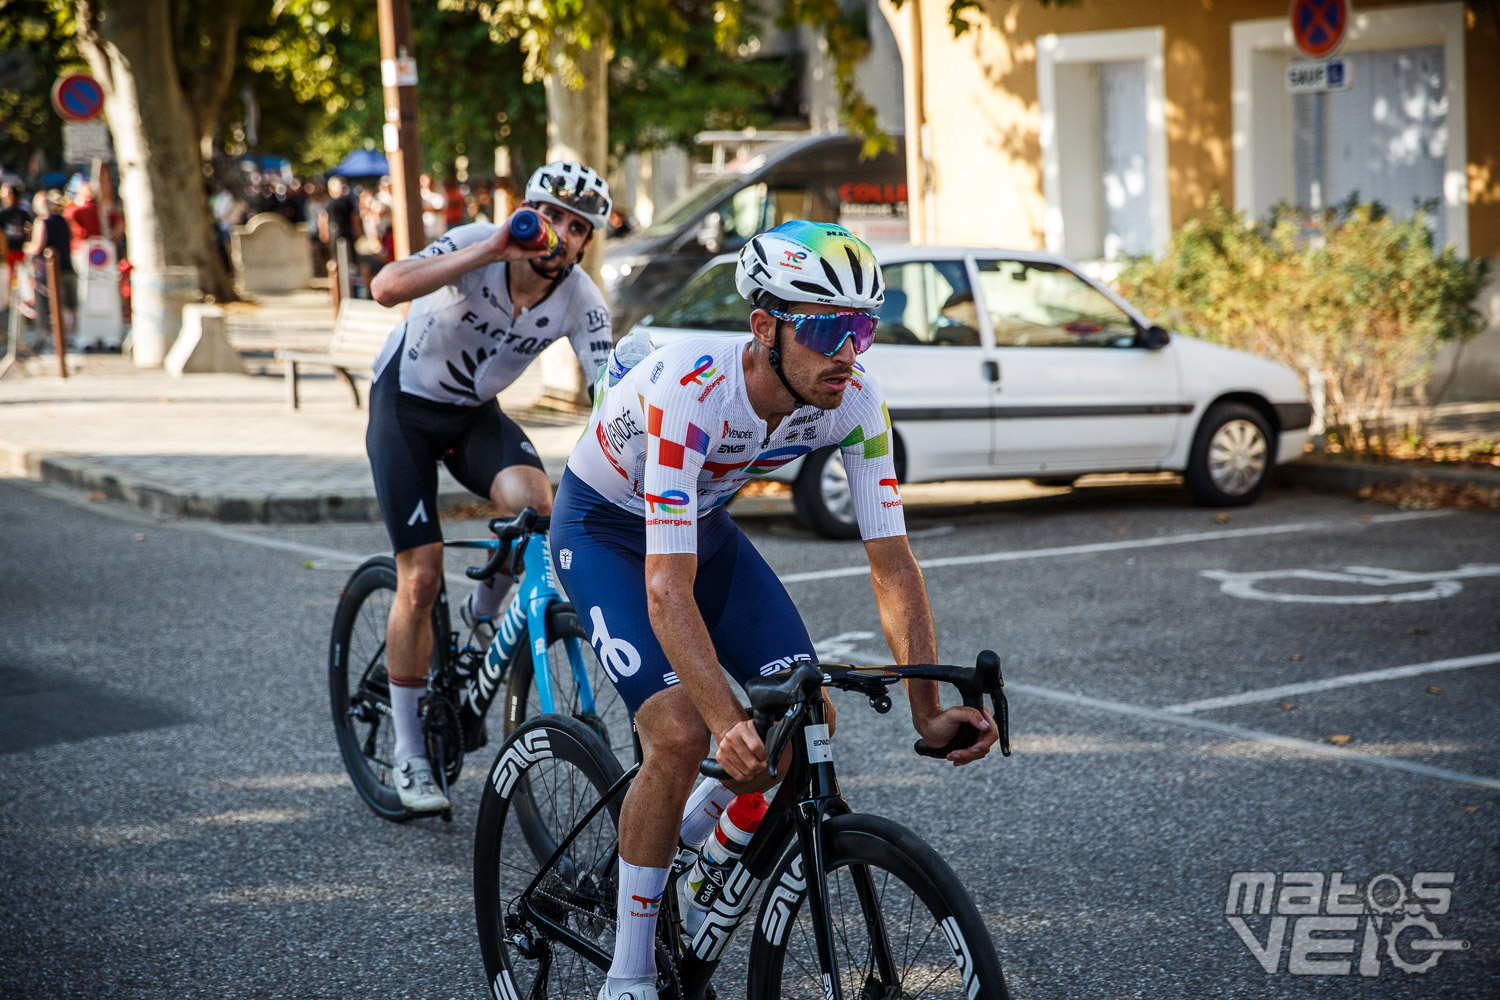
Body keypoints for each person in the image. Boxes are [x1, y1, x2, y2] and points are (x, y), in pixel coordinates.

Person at [549, 220, 998, 1000]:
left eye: (863, 328)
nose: (849, 352)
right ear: (765, 327)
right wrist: (724, 720)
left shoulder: (854, 399)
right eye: (828, 329)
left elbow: (892, 564)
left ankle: (692, 868)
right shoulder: (693, 392)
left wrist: (926, 711)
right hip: (602, 530)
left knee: (805, 721)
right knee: (684, 732)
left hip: (700, 527)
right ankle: (627, 973)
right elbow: (664, 589)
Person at [364, 161, 616, 813]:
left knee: (539, 505)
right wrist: (493, 247)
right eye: (550, 216)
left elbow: (610, 392)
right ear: (528, 213)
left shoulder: (581, 298)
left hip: (473, 416)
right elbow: (387, 287)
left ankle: (482, 620)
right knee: (420, 576)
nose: (559, 234)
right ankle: (410, 754)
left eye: (577, 226)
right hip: (406, 409)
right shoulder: (481, 242)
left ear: (588, 240)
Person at [25, 190, 77, 336]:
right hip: (67, 265)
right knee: (70, 305)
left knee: (55, 303)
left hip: (50, 270)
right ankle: (72, 334)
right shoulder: (62, 220)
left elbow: (37, 246)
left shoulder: (42, 222)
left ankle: (59, 336)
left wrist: (26, 247)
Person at [0, 183, 33, 307]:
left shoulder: (23, 213)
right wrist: (3, 248)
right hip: (9, 251)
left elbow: (29, 229)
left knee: (22, 278)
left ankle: (21, 302)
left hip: (20, 250)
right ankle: (9, 303)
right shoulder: (3, 214)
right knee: (8, 278)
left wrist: (27, 243)